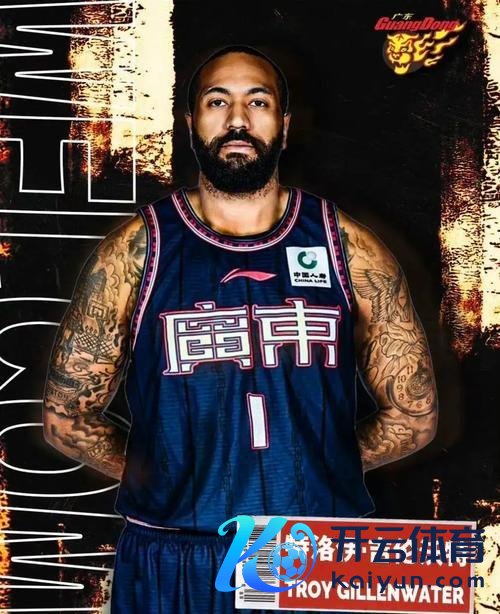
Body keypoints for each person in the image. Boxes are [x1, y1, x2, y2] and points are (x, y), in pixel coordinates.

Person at [42, 45, 438, 613]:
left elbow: (414, 416)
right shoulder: (136, 252)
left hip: (312, 551)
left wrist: (317, 463)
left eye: (258, 102)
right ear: (191, 123)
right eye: (216, 102)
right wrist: (170, 473)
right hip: (174, 548)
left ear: (284, 124)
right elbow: (66, 419)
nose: (237, 119)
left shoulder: (348, 248)